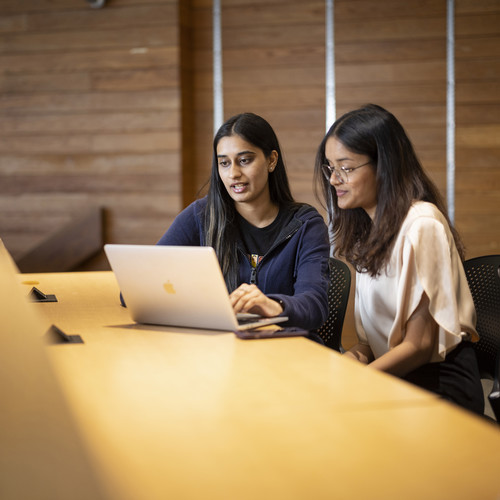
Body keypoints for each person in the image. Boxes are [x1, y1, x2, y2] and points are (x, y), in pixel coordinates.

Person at [314, 103, 484, 414]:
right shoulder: (369, 232)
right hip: (397, 375)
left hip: (439, 387)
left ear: (384, 166)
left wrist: (356, 383)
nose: (334, 180)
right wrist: (355, 358)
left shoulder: (422, 224)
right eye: (330, 167)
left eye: (346, 168)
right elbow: (373, 342)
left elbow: (418, 347)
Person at [157, 112, 330, 331]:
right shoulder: (201, 215)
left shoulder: (306, 224)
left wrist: (271, 305)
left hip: (284, 352)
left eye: (244, 161)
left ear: (271, 160)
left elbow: (315, 307)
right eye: (224, 163)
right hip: (219, 348)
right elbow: (141, 290)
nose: (233, 174)